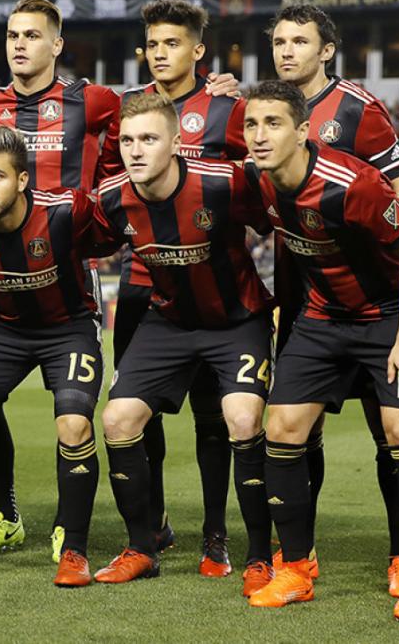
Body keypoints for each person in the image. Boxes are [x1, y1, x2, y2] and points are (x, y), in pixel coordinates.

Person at [242, 81, 399, 621]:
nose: (260, 136)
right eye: (251, 125)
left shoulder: (353, 184)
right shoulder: (255, 182)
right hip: (323, 318)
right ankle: (296, 570)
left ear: (304, 130)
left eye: (274, 124)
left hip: (387, 316)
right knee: (281, 428)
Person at [89, 93, 273, 596]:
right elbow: (76, 239)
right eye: (127, 140)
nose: (136, 150)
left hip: (237, 320)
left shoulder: (224, 181)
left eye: (148, 139)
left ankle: (258, 555)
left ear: (176, 142)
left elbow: (281, 219)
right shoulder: (111, 197)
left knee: (240, 419)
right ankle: (141, 548)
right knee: (117, 420)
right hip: (167, 322)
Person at [116, 0, 250, 576]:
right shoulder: (123, 109)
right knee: (136, 416)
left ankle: (216, 534)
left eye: (172, 43)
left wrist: (244, 96)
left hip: (211, 286)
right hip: (142, 285)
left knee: (210, 418)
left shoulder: (226, 107)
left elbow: (258, 182)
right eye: (152, 44)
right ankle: (153, 526)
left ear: (198, 50)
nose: (159, 54)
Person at [0, 126, 102, 587]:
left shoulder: (68, 211)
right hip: (2, 327)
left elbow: (119, 231)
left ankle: (74, 548)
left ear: (23, 180)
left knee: (73, 423)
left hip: (67, 326)